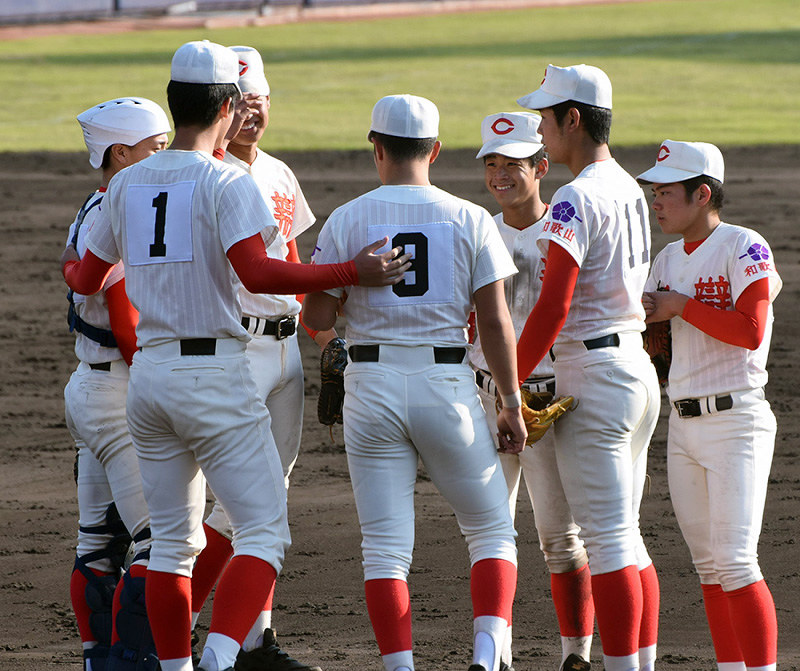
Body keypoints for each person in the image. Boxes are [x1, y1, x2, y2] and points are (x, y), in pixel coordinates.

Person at [61, 40, 410, 671]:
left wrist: (72, 262)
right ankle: (222, 658)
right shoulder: (226, 179)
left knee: (170, 544)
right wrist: (352, 272)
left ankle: (176, 666)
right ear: (226, 106)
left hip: (151, 378)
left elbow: (85, 277)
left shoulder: (127, 182)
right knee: (264, 531)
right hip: (216, 372)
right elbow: (259, 270)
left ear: (174, 103)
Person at [302, 94, 527, 671]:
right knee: (491, 532)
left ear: (376, 147)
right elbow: (497, 322)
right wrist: (510, 401)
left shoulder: (349, 216)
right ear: (435, 150)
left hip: (370, 387)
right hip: (446, 384)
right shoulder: (469, 216)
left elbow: (319, 320)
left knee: (383, 549)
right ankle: (485, 654)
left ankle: (399, 667)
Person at [189, 44, 332, 671]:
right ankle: (184, 613)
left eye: (260, 104)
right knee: (239, 504)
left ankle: (255, 640)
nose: (251, 115)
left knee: (272, 493)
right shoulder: (210, 176)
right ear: (223, 107)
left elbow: (294, 264)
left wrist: (327, 339)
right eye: (240, 104)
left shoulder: (278, 174)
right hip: (237, 348)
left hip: (284, 348)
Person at [514, 64, 661, 671]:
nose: (541, 129)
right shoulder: (627, 185)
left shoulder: (575, 195)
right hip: (634, 369)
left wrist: (509, 376)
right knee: (626, 539)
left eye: (547, 118)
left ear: (573, 118)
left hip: (594, 376)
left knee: (607, 544)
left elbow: (555, 301)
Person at [639, 141, 780, 671]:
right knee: (709, 569)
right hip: (684, 426)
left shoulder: (744, 246)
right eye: (654, 191)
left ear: (702, 194)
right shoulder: (666, 259)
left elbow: (750, 330)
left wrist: (679, 306)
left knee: (738, 564)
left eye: (667, 192)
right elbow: (654, 347)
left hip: (737, 422)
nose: (657, 200)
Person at [471, 111, 594, 671]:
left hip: (546, 398)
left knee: (558, 538)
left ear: (542, 166)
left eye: (513, 164)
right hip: (482, 397)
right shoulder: (476, 230)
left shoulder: (565, 231)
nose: (500, 175)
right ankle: (498, 657)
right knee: (492, 531)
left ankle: (577, 656)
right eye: (491, 163)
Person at [65, 96, 170, 671]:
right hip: (121, 394)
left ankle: (95, 659)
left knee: (96, 545)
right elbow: (127, 320)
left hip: (87, 388)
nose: (163, 157)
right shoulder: (127, 211)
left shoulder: (93, 204)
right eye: (155, 148)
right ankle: (135, 661)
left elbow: (71, 265)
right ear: (121, 152)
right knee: (159, 544)